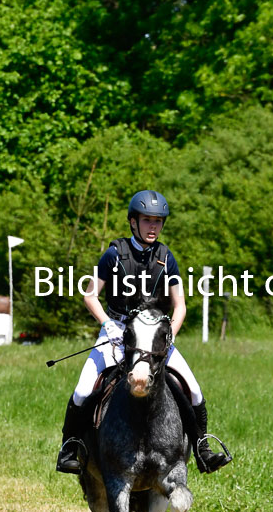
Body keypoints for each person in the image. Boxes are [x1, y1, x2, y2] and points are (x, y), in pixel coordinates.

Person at [56, 189, 232, 476]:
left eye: (158, 221)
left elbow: (181, 306)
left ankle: (202, 448)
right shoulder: (114, 255)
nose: (153, 227)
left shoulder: (166, 257)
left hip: (154, 339)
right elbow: (90, 296)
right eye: (147, 220)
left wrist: (170, 334)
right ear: (133, 222)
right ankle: (69, 447)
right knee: (83, 388)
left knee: (194, 390)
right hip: (116, 333)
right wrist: (107, 324)